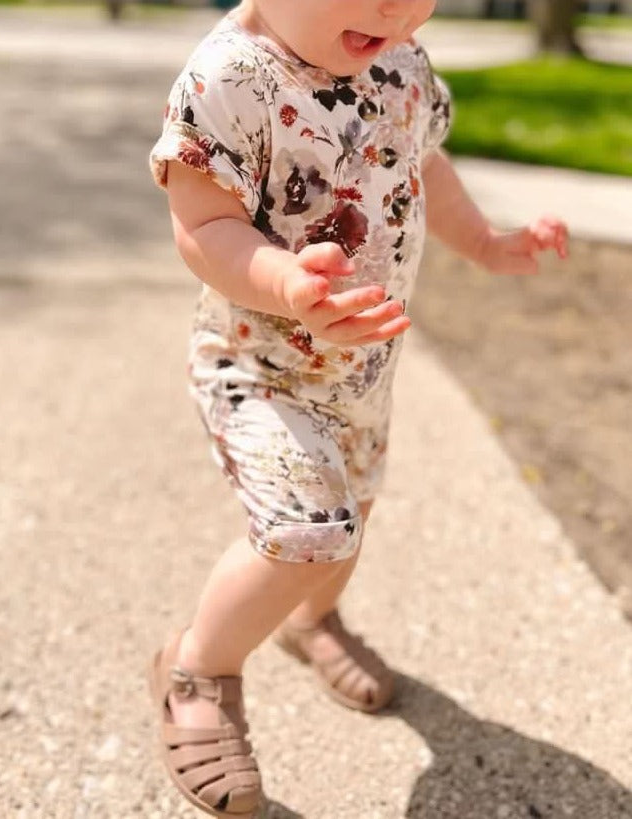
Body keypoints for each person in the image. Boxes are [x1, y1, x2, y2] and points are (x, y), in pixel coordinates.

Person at [147, 1, 569, 816]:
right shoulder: (229, 78)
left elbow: (422, 161)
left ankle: (312, 621)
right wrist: (283, 283)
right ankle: (196, 669)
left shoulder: (397, 58)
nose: (398, 6)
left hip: (361, 373)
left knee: (352, 515)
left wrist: (484, 241)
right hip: (261, 364)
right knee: (310, 527)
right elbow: (203, 223)